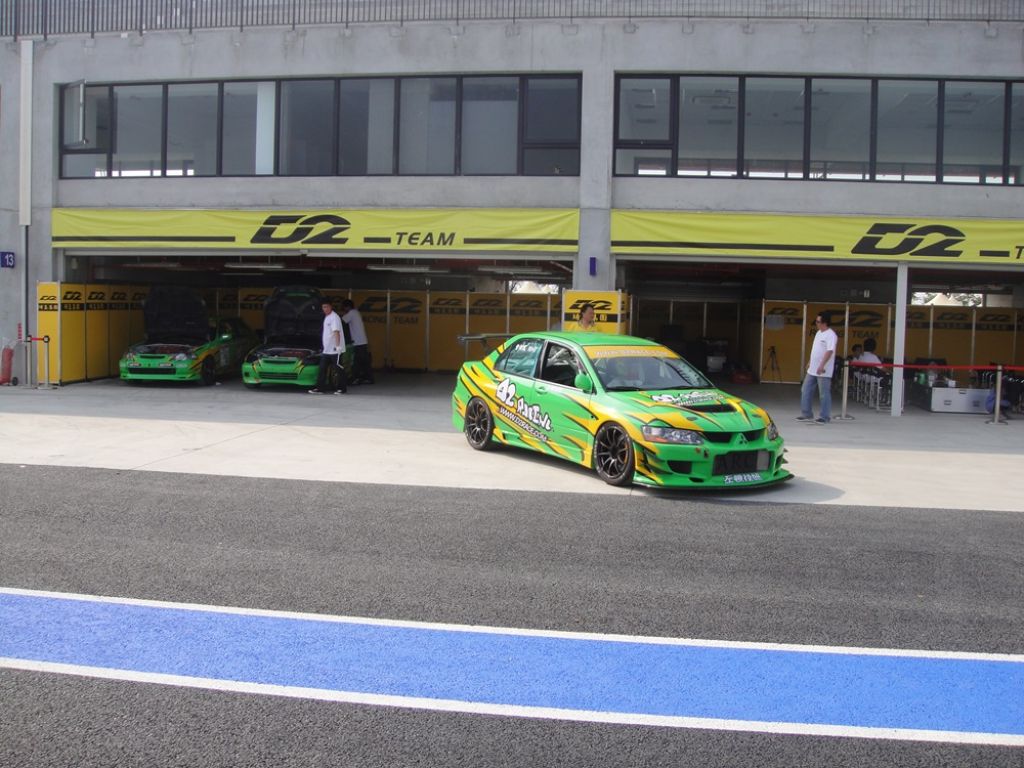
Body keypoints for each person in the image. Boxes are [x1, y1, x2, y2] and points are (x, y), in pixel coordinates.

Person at [797, 311, 837, 424]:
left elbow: (829, 351)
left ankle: (824, 416)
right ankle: (807, 414)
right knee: (805, 389)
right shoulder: (819, 333)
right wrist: (810, 361)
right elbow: (816, 349)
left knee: (823, 393)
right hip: (812, 369)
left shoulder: (831, 335)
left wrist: (822, 365)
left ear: (825, 322)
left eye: (818, 321)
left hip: (823, 370)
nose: (816, 323)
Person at [309, 300, 347, 395]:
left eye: (326, 307)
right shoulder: (327, 317)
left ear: (331, 307)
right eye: (323, 307)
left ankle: (342, 388)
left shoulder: (334, 317)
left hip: (335, 349)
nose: (325, 309)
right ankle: (320, 388)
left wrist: (338, 346)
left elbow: (336, 332)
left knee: (338, 369)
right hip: (327, 350)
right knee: (322, 368)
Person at [340, 299, 374, 385]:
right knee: (362, 361)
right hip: (361, 341)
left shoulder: (351, 313)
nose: (344, 309)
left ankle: (360, 378)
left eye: (344, 307)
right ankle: (364, 378)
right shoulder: (356, 312)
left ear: (347, 307)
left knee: (358, 361)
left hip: (358, 342)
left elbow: (341, 321)